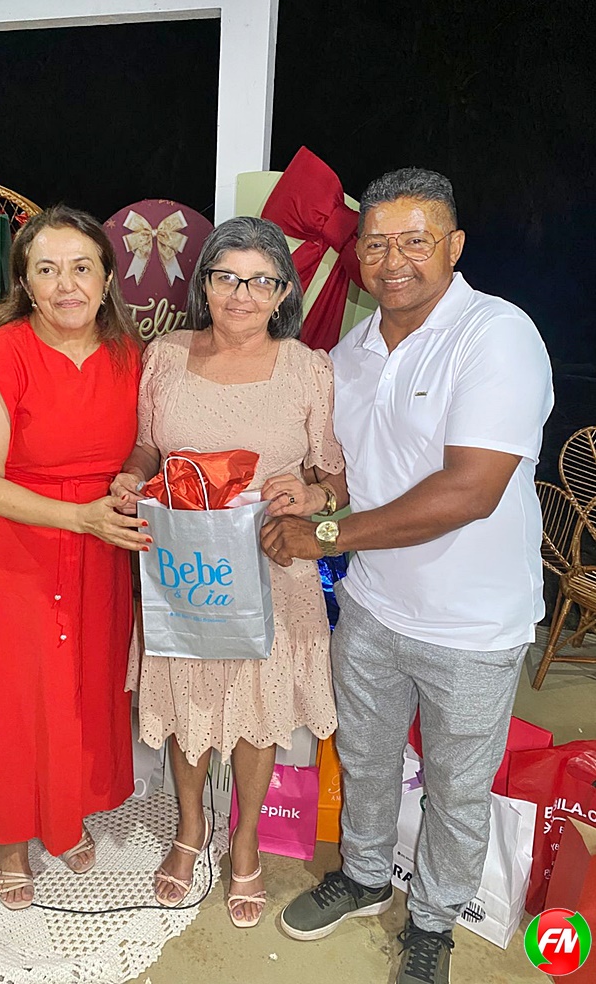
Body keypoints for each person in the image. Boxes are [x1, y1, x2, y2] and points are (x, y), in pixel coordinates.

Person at [264, 169, 553, 983]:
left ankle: (432, 922)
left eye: (415, 241)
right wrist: (316, 495)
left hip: (473, 624)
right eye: (377, 243)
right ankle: (362, 876)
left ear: (453, 246)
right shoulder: (350, 355)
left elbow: (469, 490)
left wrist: (325, 533)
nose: (394, 260)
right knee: (366, 759)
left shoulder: (496, 335)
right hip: (373, 608)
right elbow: (355, 475)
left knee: (458, 790)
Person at [111, 216, 347, 928]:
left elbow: (333, 478)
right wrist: (131, 475)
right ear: (204, 283)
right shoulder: (164, 356)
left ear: (283, 292)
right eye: (226, 277)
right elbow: (148, 446)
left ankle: (243, 842)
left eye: (259, 281)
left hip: (272, 571)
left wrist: (311, 497)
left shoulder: (307, 368)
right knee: (188, 706)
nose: (241, 295)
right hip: (185, 570)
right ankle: (190, 831)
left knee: (256, 714)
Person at [0, 205, 148, 910]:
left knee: (83, 686)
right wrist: (78, 516)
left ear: (107, 277)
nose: (66, 284)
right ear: (24, 282)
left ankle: (66, 808)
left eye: (82, 267)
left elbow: (141, 447)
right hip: (14, 548)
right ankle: (11, 840)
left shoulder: (130, 355)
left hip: (98, 548)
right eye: (47, 269)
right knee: (17, 695)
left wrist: (129, 481)